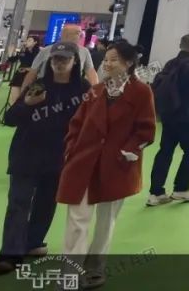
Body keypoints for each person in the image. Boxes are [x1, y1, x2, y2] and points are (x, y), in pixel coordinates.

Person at [57, 40, 155, 288]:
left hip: (117, 165)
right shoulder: (96, 90)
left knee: (105, 222)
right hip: (83, 162)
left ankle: (94, 268)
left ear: (129, 63)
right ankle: (70, 274)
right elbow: (77, 123)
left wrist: (129, 150)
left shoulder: (142, 92)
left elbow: (146, 130)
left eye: (114, 60)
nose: (107, 64)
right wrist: (71, 148)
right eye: (106, 60)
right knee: (77, 220)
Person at [0, 44, 90, 275]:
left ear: (75, 62)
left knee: (46, 204)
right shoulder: (38, 85)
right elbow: (10, 118)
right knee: (18, 203)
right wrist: (28, 105)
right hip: (26, 154)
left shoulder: (83, 89)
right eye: (55, 58)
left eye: (64, 59)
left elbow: (89, 121)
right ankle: (10, 254)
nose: (59, 63)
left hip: (59, 156)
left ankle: (33, 242)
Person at [147, 34, 189, 206]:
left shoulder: (170, 64)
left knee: (165, 152)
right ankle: (181, 188)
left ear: (180, 45)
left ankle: (156, 192)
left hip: (169, 116)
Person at [22, 24, 99, 91]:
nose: (81, 36)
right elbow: (32, 73)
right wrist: (23, 93)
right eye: (78, 33)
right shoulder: (46, 51)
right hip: (46, 89)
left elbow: (91, 72)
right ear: (65, 34)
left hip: (71, 90)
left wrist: (96, 91)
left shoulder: (84, 51)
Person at [7, 36, 41, 106]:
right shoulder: (23, 52)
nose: (27, 42)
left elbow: (39, 67)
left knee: (25, 99)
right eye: (27, 40)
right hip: (19, 75)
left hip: (31, 77)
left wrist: (27, 69)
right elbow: (12, 60)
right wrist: (10, 52)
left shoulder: (39, 53)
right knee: (14, 99)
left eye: (29, 40)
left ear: (35, 42)